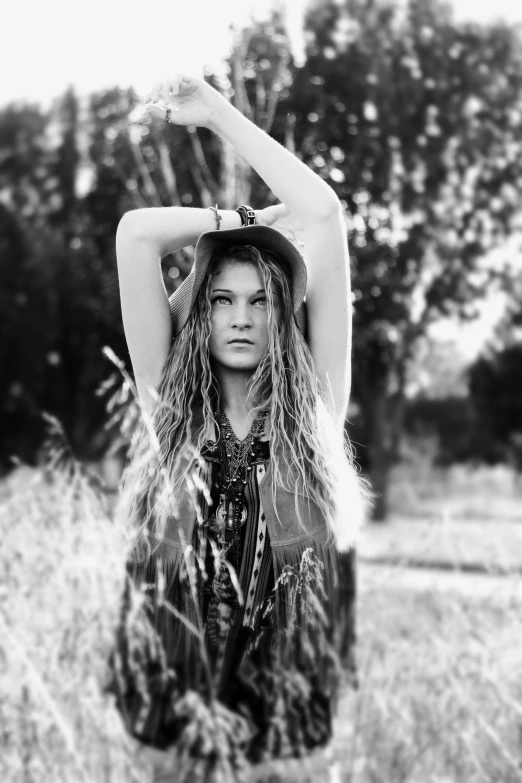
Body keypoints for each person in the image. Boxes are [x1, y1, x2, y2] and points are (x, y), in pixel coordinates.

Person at [109, 73, 371, 782]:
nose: (241, 317)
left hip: (283, 678)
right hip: (178, 664)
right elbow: (137, 235)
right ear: (200, 312)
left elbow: (321, 211)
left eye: (261, 300)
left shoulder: (315, 406)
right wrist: (240, 222)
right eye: (221, 298)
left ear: (282, 312)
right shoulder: (171, 401)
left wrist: (218, 114)